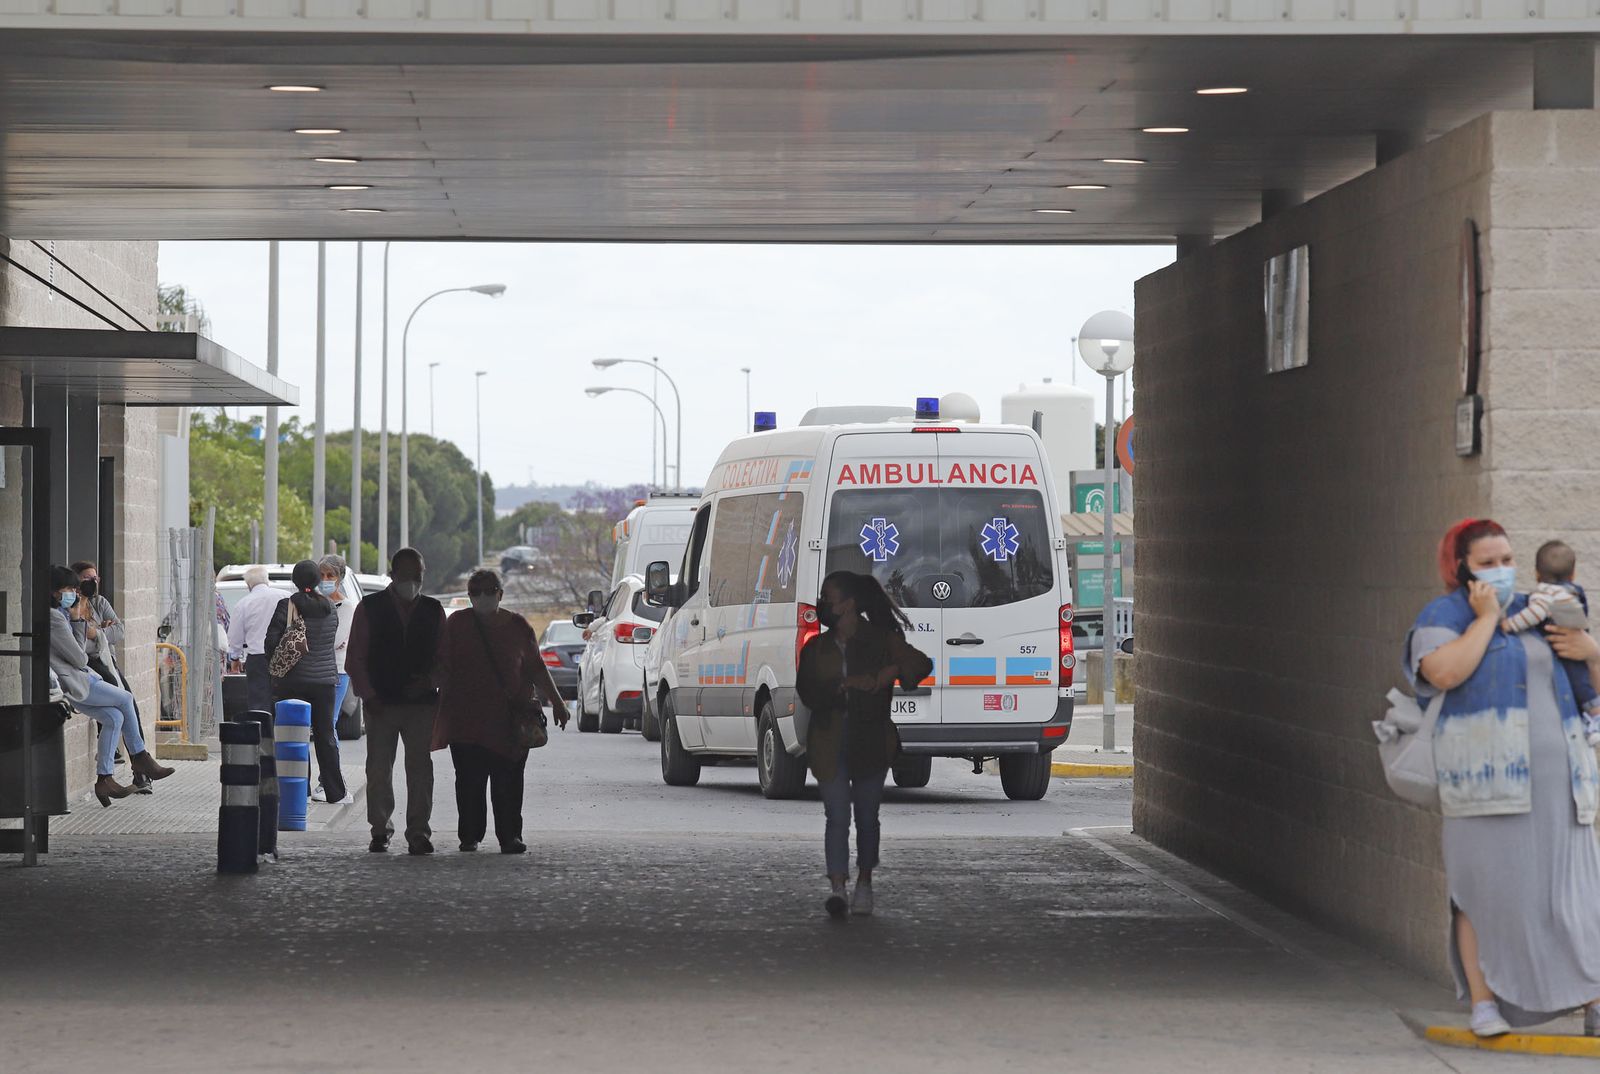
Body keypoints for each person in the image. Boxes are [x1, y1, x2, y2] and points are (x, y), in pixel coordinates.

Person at [1406, 518, 1600, 1038]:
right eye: (1487, 563)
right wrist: (1486, 619)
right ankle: (1485, 1003)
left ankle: (1593, 1000)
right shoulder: (1442, 615)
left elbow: (1590, 692)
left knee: (1575, 893)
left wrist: (1593, 653)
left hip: (1562, 785)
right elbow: (1444, 673)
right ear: (1460, 567)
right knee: (1482, 893)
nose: (1501, 571)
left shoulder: (1541, 612)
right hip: (1482, 785)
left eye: (1507, 560)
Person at [795, 570, 932, 920]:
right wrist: (840, 687)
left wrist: (884, 676)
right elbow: (807, 691)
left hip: (870, 739)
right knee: (836, 815)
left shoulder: (880, 640)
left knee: (867, 817)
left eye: (829, 598)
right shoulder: (817, 647)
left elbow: (920, 664)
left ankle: (865, 881)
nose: (823, 605)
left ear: (849, 604)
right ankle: (838, 886)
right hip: (829, 741)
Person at [434, 569, 566, 854]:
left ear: (500, 593)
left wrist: (558, 702)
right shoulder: (456, 624)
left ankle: (510, 836)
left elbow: (536, 666)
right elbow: (440, 664)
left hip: (509, 723)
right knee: (469, 782)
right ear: (469, 596)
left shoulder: (518, 627)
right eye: (475, 591)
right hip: (466, 722)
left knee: (509, 782)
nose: (482, 596)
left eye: (487, 590)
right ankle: (469, 835)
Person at [46, 565, 173, 806]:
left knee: (114, 717)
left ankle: (104, 778)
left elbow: (110, 635)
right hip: (74, 681)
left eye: (76, 588)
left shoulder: (63, 614)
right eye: (70, 588)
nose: (75, 593)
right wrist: (77, 621)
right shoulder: (55, 618)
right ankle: (139, 757)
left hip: (81, 678)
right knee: (125, 699)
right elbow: (80, 657)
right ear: (54, 592)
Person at [347, 548, 445, 855]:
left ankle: (419, 833)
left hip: (421, 707)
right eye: (407, 575)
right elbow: (356, 658)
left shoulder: (433, 610)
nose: (413, 581)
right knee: (378, 770)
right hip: (381, 705)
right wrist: (370, 696)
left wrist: (429, 682)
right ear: (393, 575)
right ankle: (380, 829)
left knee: (420, 771)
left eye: (417, 575)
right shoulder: (369, 608)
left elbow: (445, 658)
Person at [264, 559, 349, 806]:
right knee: (325, 736)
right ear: (316, 580)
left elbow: (270, 643)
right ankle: (335, 791)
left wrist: (277, 664)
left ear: (295, 581)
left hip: (292, 682)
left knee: (295, 735)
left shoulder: (287, 605)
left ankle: (299, 790)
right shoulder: (330, 608)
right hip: (324, 682)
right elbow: (329, 641)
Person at [1500, 540, 1600, 744]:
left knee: (1577, 680)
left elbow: (1534, 614)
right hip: (1574, 641)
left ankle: (1594, 715)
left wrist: (1510, 625)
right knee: (1580, 680)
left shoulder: (1543, 594)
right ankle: (1594, 714)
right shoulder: (1575, 590)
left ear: (1536, 574)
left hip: (1563, 645)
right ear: (1573, 574)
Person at [69, 559, 153, 793]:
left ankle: (139, 772)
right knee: (119, 704)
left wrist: (97, 633)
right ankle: (133, 759)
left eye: (95, 579)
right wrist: (96, 633)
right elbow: (78, 648)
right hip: (88, 667)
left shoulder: (99, 602)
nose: (92, 583)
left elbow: (119, 631)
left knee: (128, 706)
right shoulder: (71, 608)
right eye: (86, 579)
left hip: (107, 662)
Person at [313, 554, 356, 802]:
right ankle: (326, 781)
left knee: (328, 724)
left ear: (340, 578)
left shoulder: (347, 607)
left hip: (337, 671)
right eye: (322, 575)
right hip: (315, 671)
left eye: (331, 576)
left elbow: (336, 640)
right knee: (320, 726)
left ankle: (331, 782)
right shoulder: (314, 603)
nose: (326, 580)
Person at [226, 565, 281, 716]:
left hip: (258, 658)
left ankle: (263, 736)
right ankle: (284, 733)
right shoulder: (285, 596)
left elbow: (235, 636)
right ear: (267, 580)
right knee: (283, 697)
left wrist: (235, 658)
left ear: (248, 585)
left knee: (259, 701)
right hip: (284, 657)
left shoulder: (244, 603)